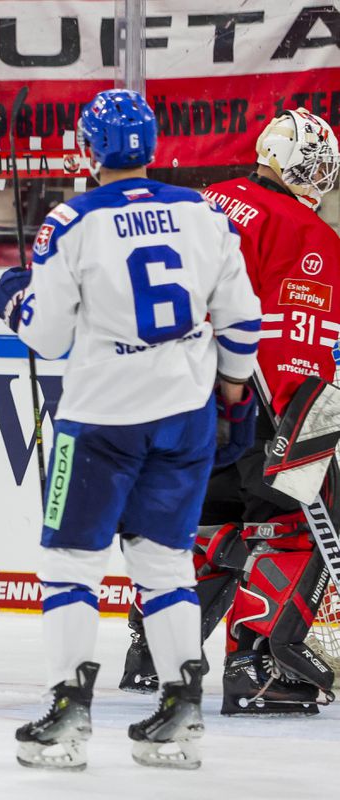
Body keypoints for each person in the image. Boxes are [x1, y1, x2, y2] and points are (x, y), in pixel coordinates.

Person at [0, 89, 261, 770]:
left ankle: (67, 710)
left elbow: (47, 337)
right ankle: (180, 707)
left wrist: (12, 296)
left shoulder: (70, 222)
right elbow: (240, 321)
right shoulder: (202, 213)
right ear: (152, 145)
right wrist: (230, 391)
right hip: (184, 412)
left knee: (68, 562)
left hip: (102, 418)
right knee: (162, 559)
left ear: (89, 149)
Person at [119, 107, 340, 716]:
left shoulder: (205, 200)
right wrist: (303, 428)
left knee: (213, 522)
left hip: (173, 395)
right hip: (251, 399)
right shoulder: (302, 229)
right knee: (288, 521)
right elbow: (295, 336)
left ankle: (156, 649)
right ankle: (260, 667)